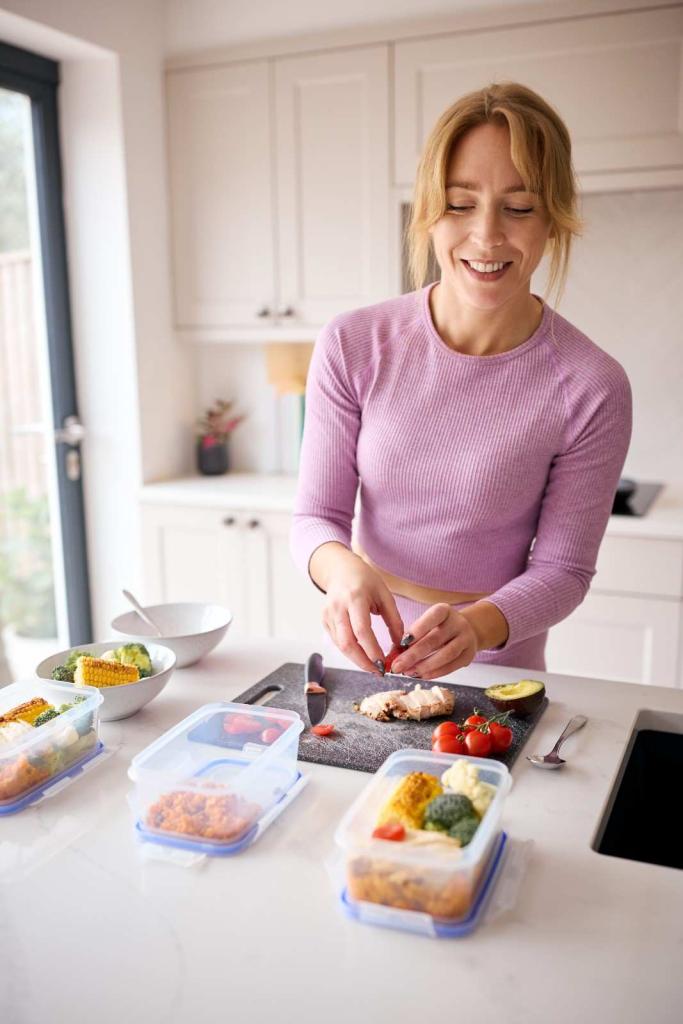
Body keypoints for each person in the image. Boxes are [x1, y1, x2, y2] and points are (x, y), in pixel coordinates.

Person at [290, 81, 632, 681]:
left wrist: (475, 628)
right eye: (459, 203)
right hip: (368, 649)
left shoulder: (591, 385)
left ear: (552, 221)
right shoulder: (354, 344)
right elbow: (314, 518)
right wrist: (342, 571)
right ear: (428, 212)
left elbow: (564, 571)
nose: (487, 235)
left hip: (498, 663)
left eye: (520, 207)